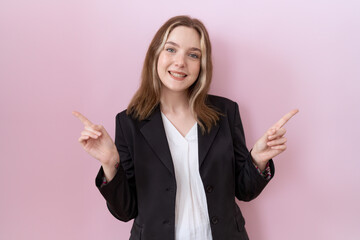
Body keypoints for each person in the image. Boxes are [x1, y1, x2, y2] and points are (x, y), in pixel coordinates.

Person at [73, 15, 298, 240]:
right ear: (155, 55)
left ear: (202, 65)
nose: (181, 62)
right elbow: (125, 211)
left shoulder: (226, 113)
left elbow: (244, 191)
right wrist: (111, 165)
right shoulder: (129, 122)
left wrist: (257, 160)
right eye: (171, 50)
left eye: (193, 55)